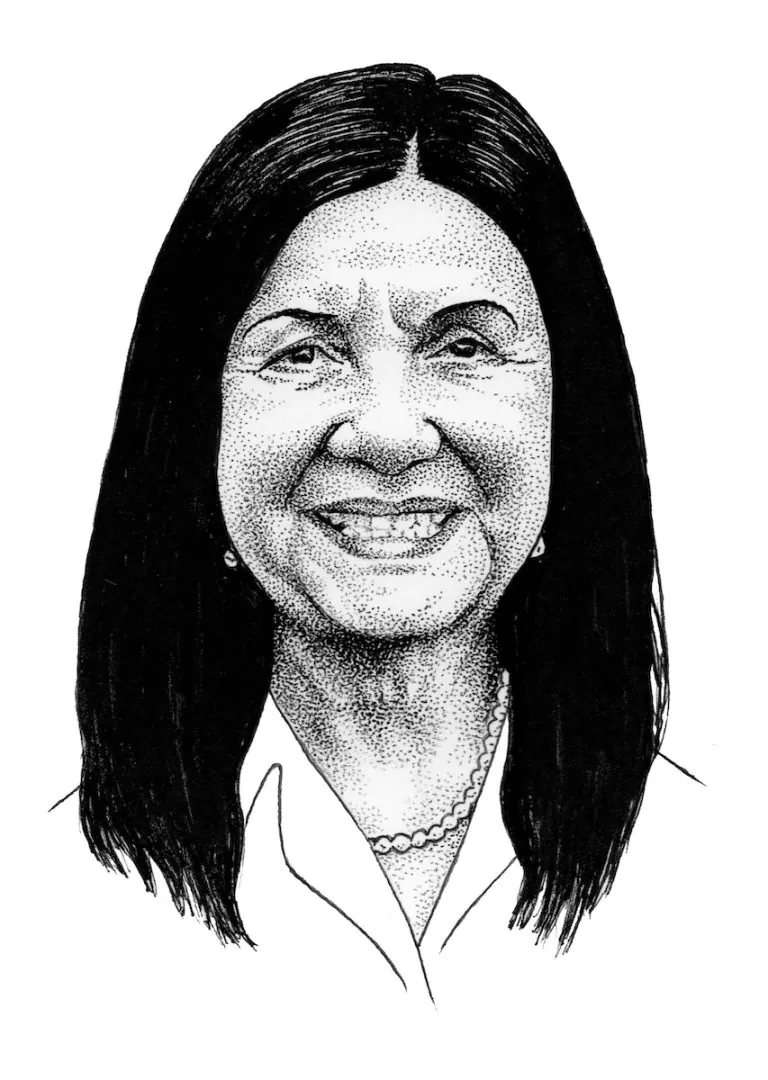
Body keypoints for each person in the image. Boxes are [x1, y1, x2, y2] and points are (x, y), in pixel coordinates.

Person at [65, 63, 688, 1006]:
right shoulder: (49, 900)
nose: (390, 433)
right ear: (193, 430)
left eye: (464, 345)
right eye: (303, 352)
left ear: (572, 418)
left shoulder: (722, 867)